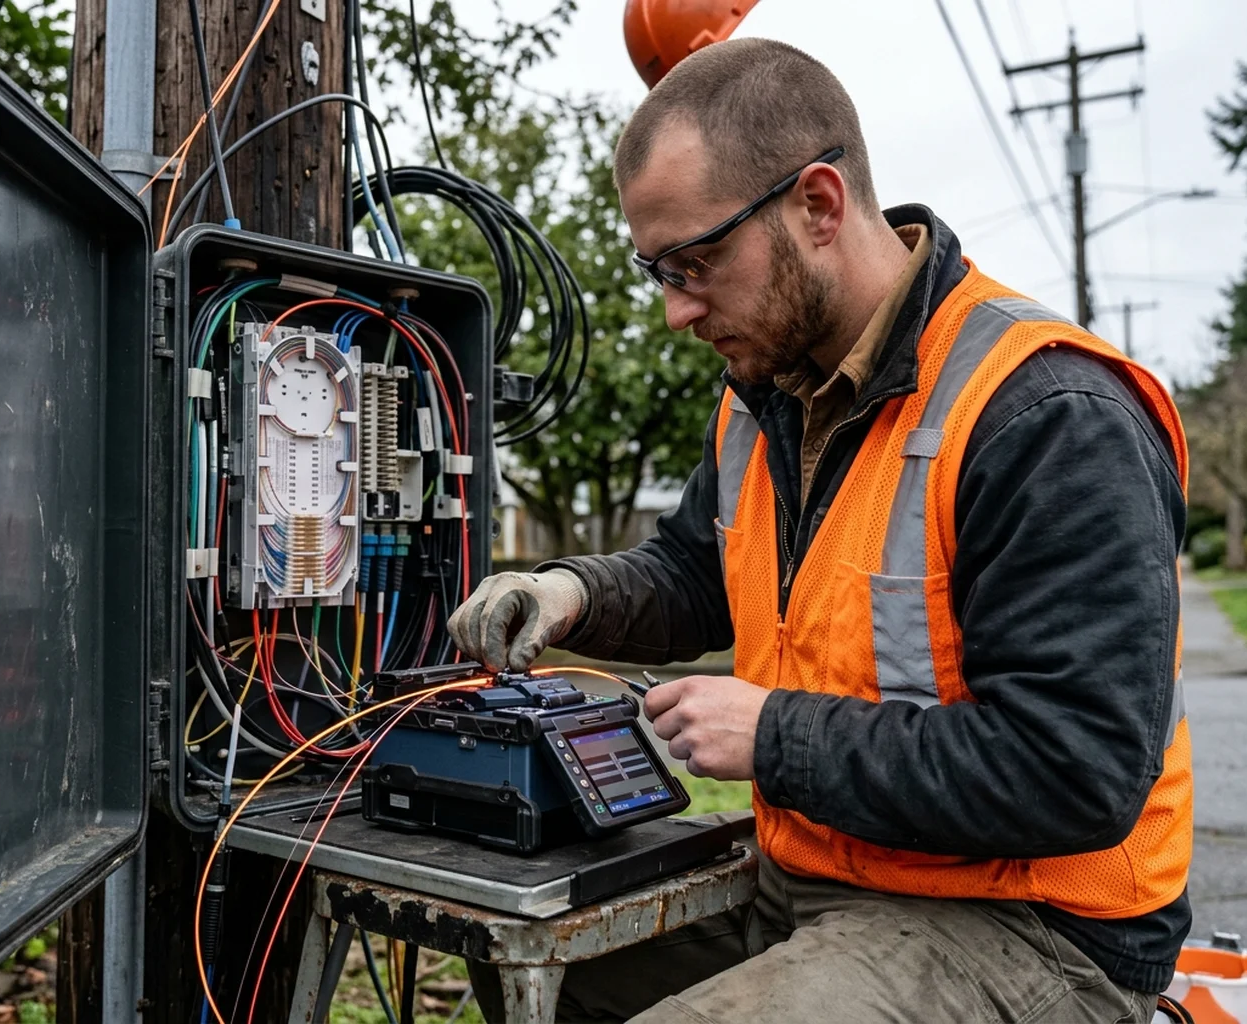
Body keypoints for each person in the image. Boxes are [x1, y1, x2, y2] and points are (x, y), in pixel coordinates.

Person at [450, 38, 1190, 1024]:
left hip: (1034, 928)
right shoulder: (766, 396)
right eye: (655, 271)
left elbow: (1071, 769)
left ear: (818, 206)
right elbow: (694, 571)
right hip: (810, 879)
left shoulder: (1044, 412)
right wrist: (568, 591)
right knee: (524, 965)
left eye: (696, 262)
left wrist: (772, 734)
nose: (675, 310)